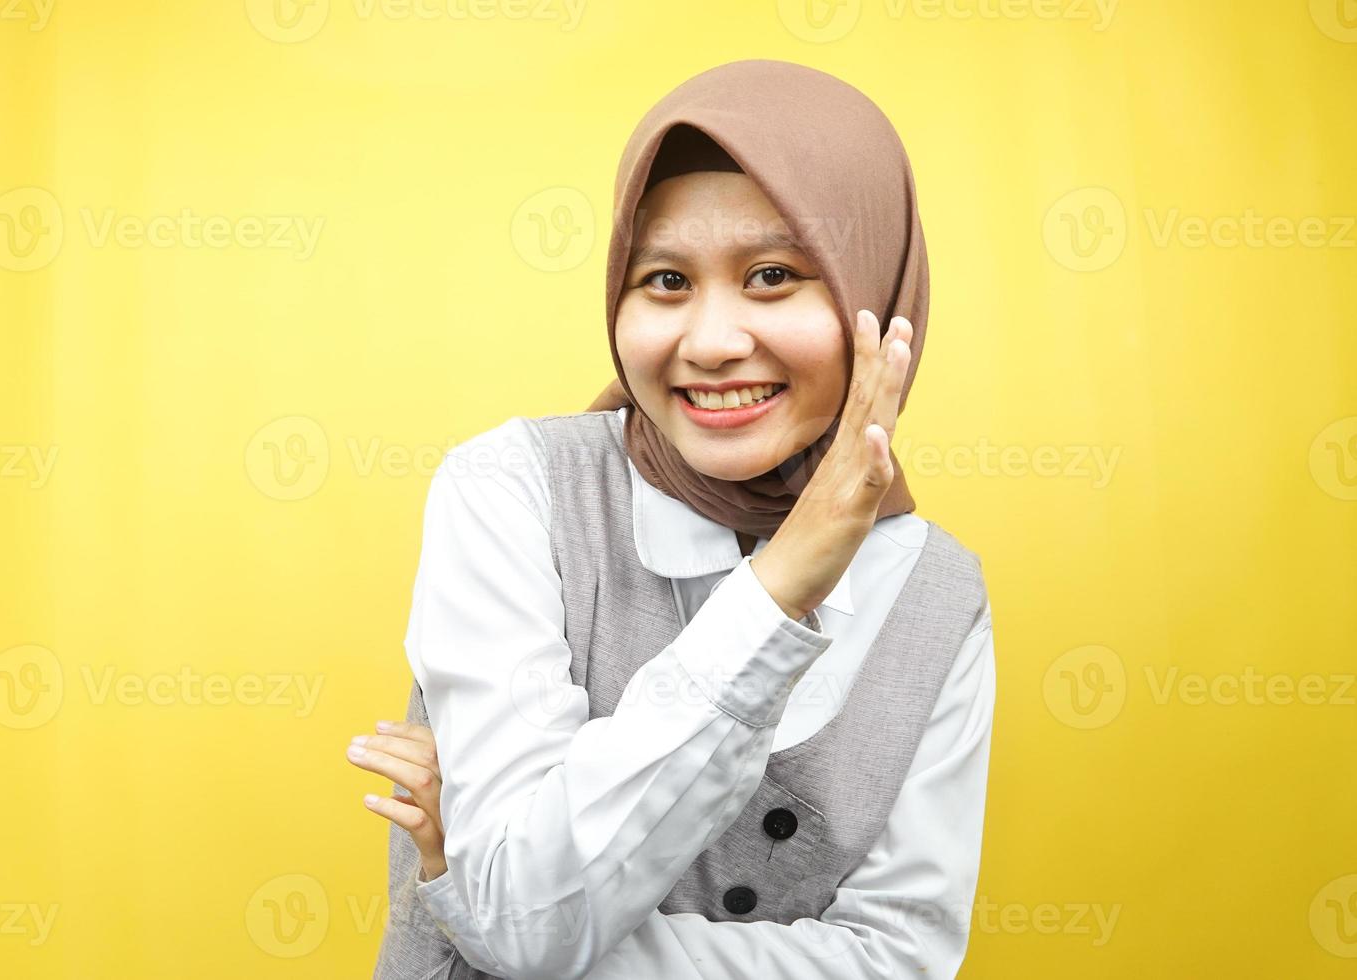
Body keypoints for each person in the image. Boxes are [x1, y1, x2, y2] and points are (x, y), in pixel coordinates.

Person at [347, 58, 995, 979]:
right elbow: (521, 920)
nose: (713, 343)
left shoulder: (937, 593)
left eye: (773, 275)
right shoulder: (511, 489)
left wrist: (503, 915)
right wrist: (779, 589)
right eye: (663, 281)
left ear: (876, 292)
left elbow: (899, 956)